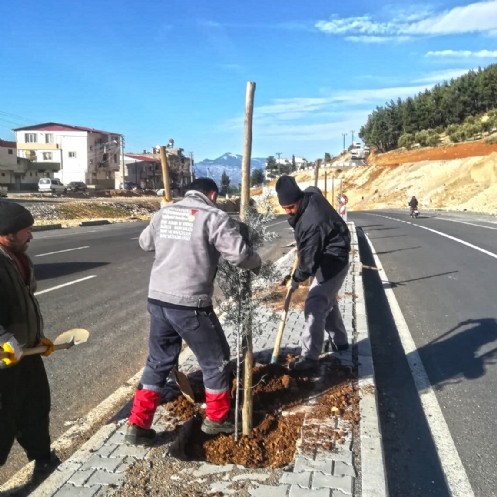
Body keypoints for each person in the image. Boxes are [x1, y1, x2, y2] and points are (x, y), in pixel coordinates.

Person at [126, 178, 262, 444]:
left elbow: (145, 243)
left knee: (158, 362)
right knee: (217, 360)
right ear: (212, 194)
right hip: (191, 305)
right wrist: (257, 263)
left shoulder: (164, 213)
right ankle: (217, 419)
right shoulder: (213, 216)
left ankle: (138, 425)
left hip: (158, 301)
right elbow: (239, 256)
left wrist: (161, 217)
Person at [0, 201, 58, 476]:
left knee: (36, 407)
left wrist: (37, 338)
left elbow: (26, 302)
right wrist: (3, 338)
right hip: (3, 360)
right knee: (3, 420)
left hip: (26, 353)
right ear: (5, 232)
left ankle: (43, 459)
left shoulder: (19, 257)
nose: (31, 236)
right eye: (26, 230)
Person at [275, 176, 351, 371]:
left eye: (291, 207)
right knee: (327, 301)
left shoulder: (312, 222)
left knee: (315, 304)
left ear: (299, 199)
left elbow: (307, 263)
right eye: (285, 208)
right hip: (327, 254)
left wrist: (295, 279)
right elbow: (314, 188)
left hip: (333, 261)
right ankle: (340, 343)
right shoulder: (310, 194)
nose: (288, 212)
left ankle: (309, 357)